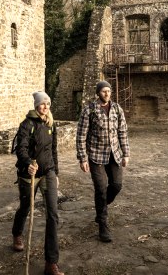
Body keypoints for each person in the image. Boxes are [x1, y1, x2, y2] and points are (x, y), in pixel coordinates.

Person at [12, 91, 64, 275]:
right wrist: (28, 164)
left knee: (53, 214)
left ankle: (51, 262)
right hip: (30, 174)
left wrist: (55, 172)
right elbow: (21, 148)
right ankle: (17, 233)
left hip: (48, 171)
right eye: (42, 104)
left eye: (47, 104)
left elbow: (54, 150)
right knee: (25, 207)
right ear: (36, 105)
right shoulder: (26, 124)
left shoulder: (51, 124)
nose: (45, 107)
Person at [76, 80, 130, 243]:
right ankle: (103, 226)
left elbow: (123, 131)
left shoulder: (117, 109)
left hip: (115, 154)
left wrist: (126, 153)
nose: (107, 93)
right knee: (100, 188)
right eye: (104, 91)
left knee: (116, 185)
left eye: (109, 91)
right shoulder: (89, 110)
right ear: (98, 93)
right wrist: (82, 158)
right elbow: (81, 135)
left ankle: (101, 209)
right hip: (96, 155)